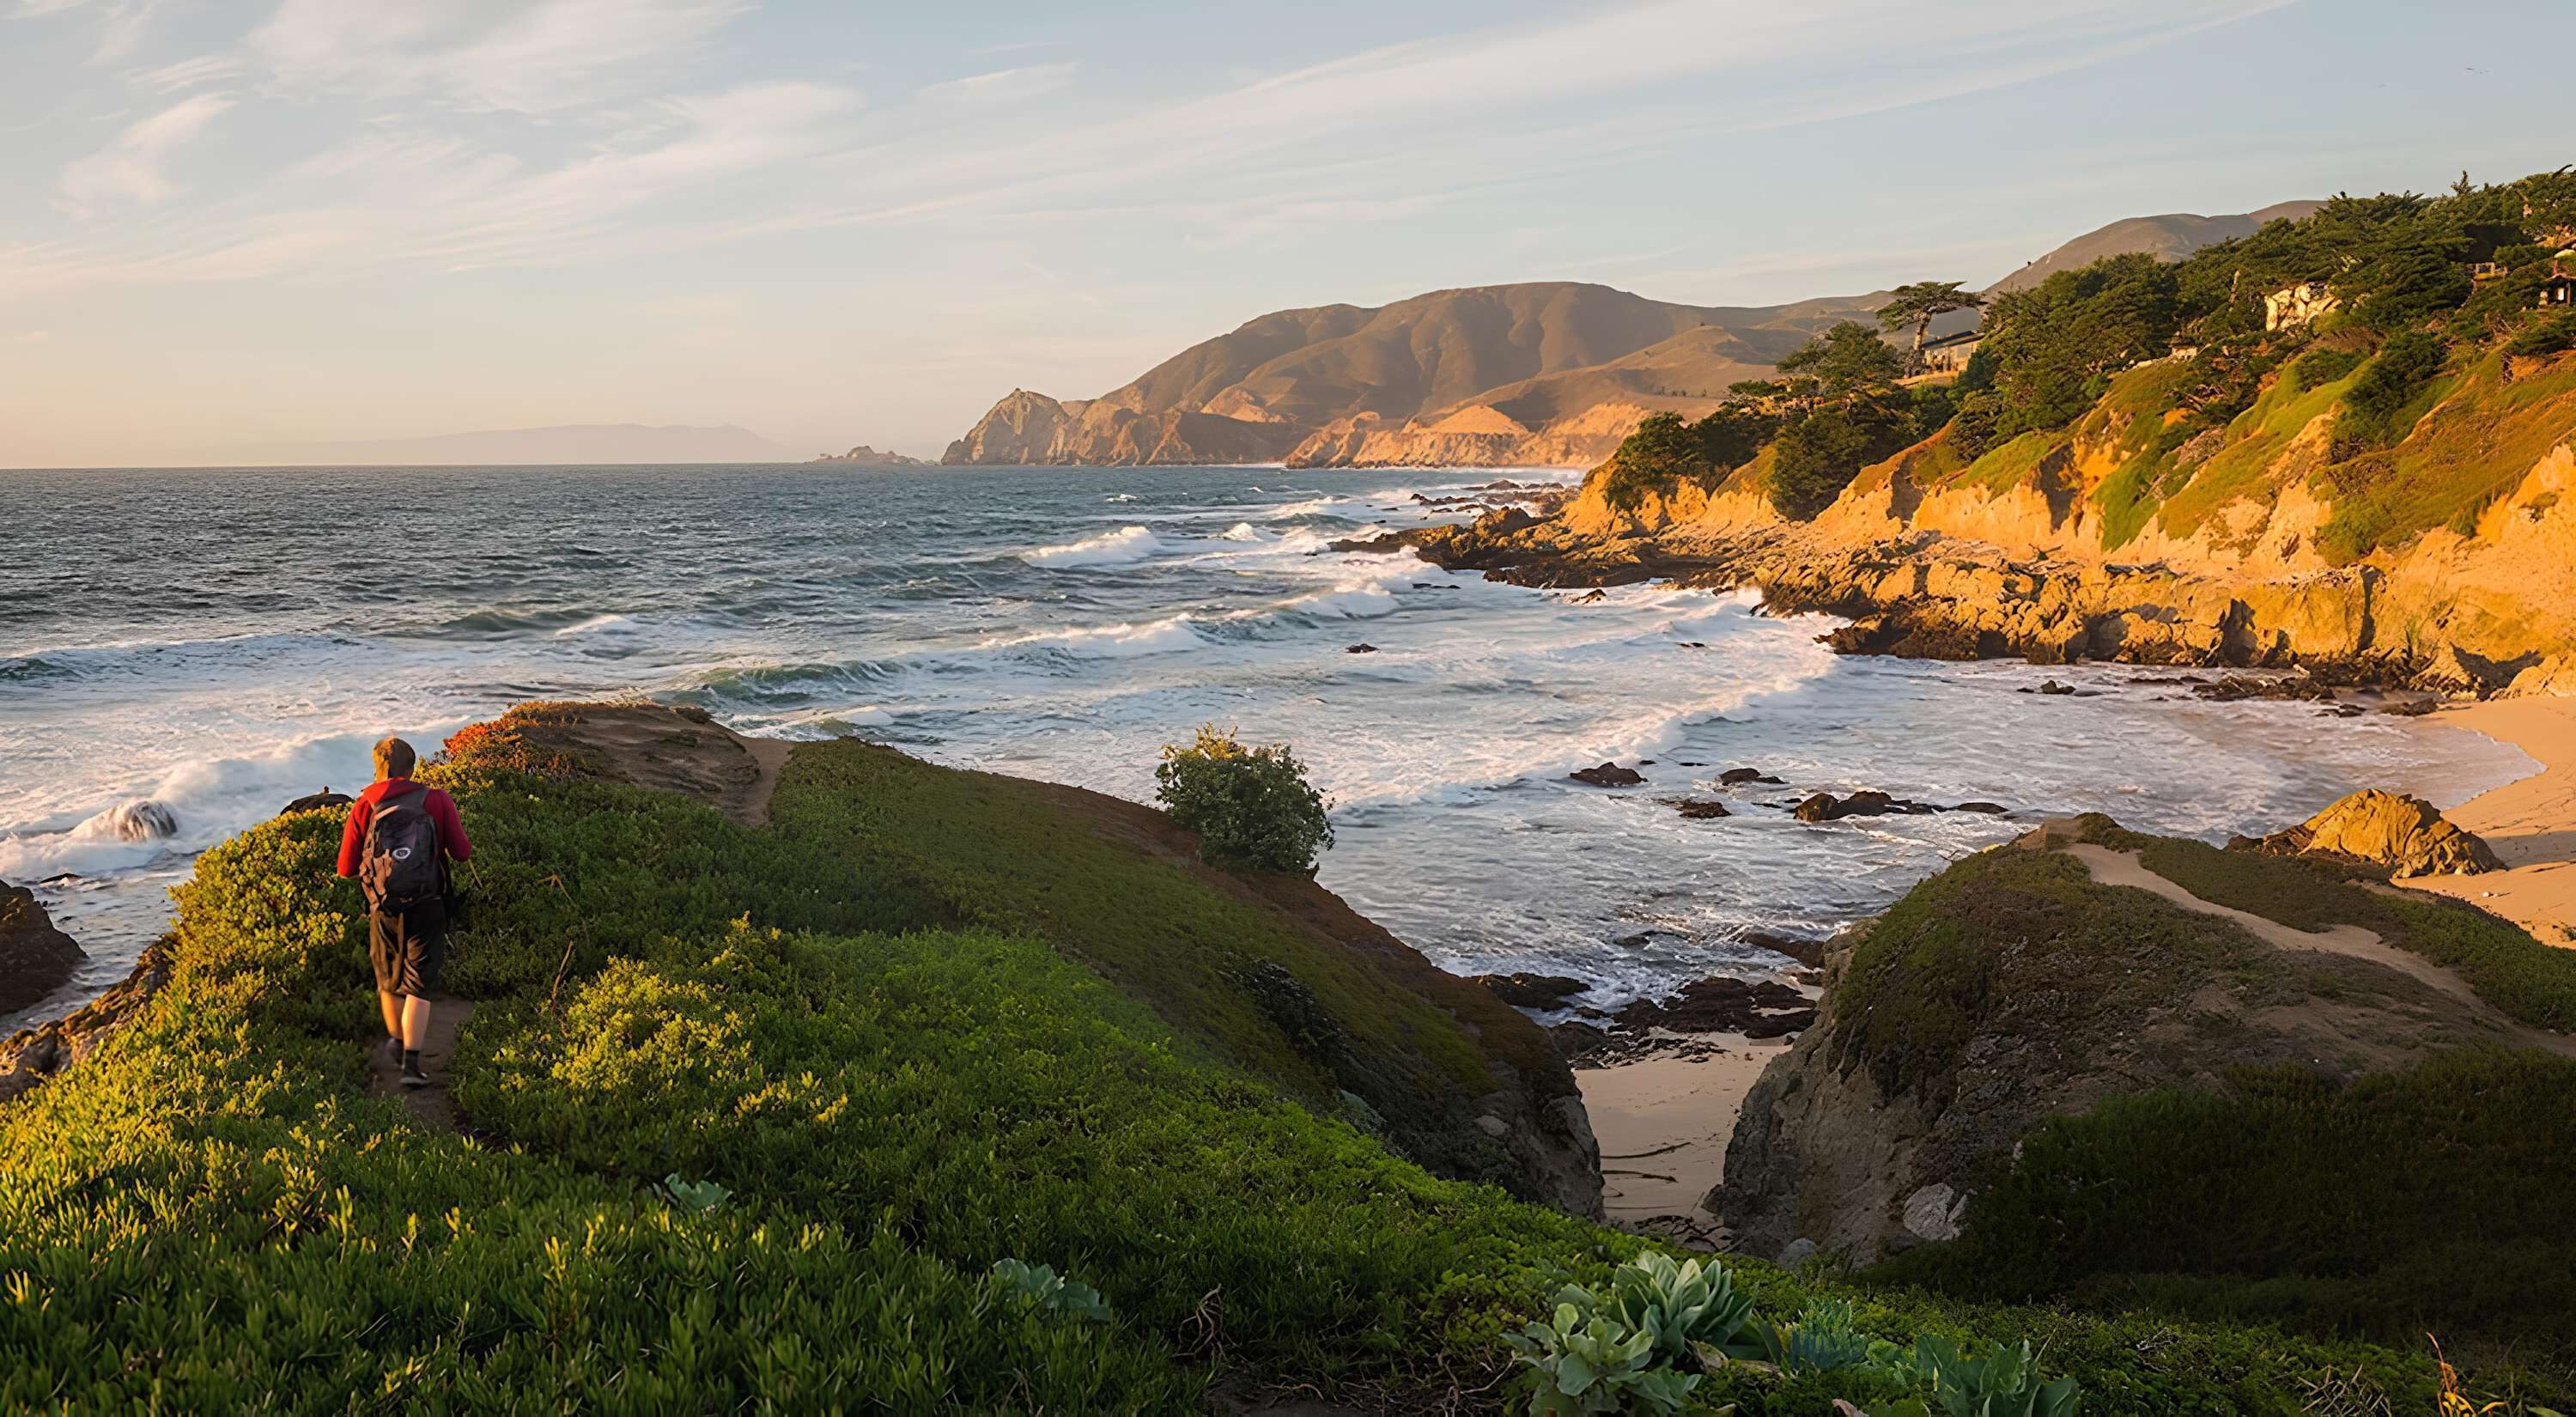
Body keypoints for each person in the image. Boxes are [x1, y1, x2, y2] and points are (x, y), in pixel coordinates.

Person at [337, 737, 471, 1089]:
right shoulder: (437, 799)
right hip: (429, 901)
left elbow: (345, 868)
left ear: (377, 769)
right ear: (413, 768)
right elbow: (461, 852)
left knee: (388, 979)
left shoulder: (364, 805)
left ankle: (396, 1042)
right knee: (419, 984)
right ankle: (412, 1066)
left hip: (383, 906)